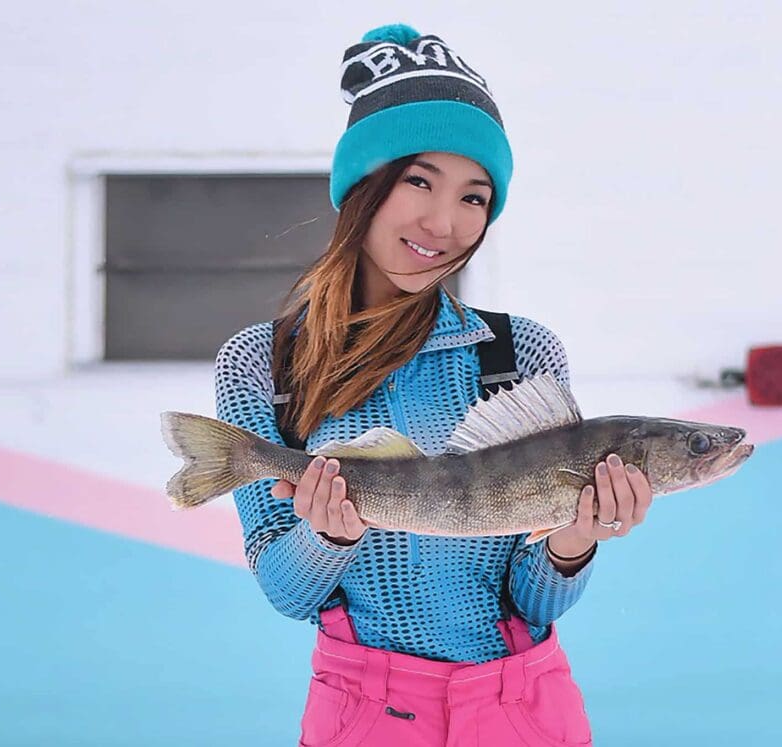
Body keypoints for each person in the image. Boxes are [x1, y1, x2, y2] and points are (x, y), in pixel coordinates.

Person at [214, 23, 655, 747]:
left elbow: (531, 597)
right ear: (364, 184)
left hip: (522, 708)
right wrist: (327, 533)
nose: (443, 223)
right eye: (419, 180)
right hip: (365, 714)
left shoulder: (519, 353)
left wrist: (576, 540)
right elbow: (287, 592)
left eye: (475, 198)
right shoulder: (265, 364)